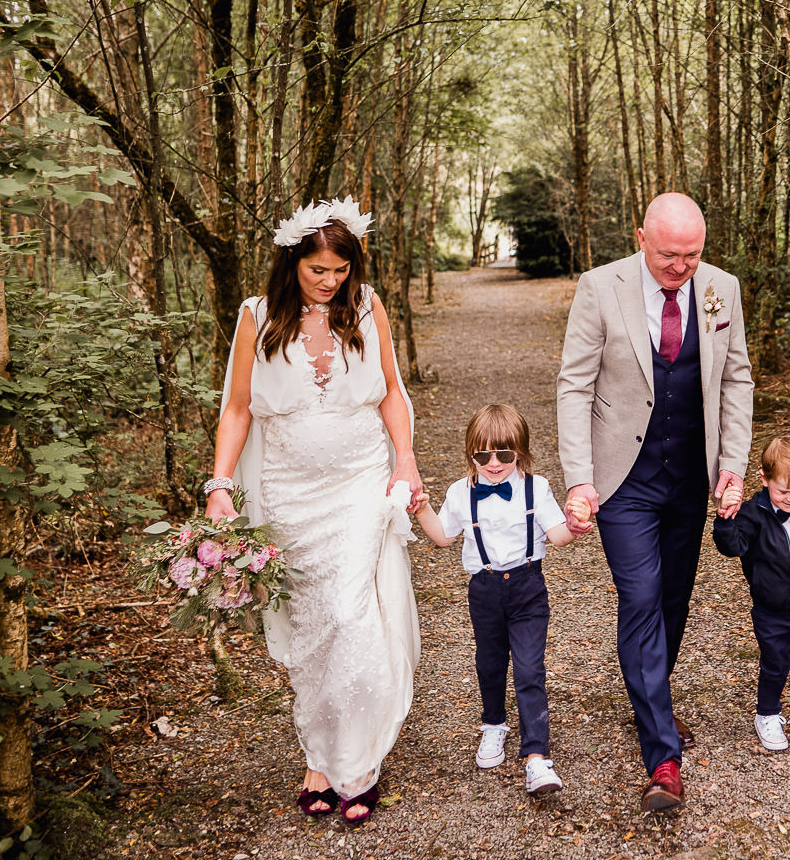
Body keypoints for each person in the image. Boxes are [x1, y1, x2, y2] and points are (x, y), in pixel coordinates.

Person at [205, 197, 423, 825]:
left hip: (358, 483)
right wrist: (222, 483)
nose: (330, 282)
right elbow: (239, 409)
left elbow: (391, 393)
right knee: (312, 626)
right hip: (288, 492)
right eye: (317, 271)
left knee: (351, 613)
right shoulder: (257, 317)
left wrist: (404, 461)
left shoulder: (366, 305)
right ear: (292, 262)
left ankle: (356, 763)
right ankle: (318, 759)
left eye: (339, 271)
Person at [556, 192, 754, 811]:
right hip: (624, 479)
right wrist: (580, 477)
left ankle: (653, 702)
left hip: (691, 477)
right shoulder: (598, 286)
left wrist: (731, 467)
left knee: (673, 599)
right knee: (640, 596)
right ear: (641, 237)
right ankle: (662, 756)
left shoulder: (723, 288)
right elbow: (574, 383)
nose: (682, 268)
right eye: (670, 255)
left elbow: (736, 378)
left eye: (692, 256)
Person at [413, 404, 584, 796]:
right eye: (483, 455)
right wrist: (422, 508)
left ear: (520, 453)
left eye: (504, 455)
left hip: (528, 588)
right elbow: (443, 537)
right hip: (484, 589)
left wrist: (575, 526)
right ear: (471, 454)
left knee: (529, 668)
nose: (494, 463)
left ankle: (536, 757)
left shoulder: (535, 488)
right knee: (489, 662)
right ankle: (493, 725)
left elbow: (557, 536)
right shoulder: (460, 492)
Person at [712, 436, 790, 756]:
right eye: (783, 491)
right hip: (771, 609)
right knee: (775, 664)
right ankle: (767, 714)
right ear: (765, 479)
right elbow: (732, 547)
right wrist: (726, 519)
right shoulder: (754, 514)